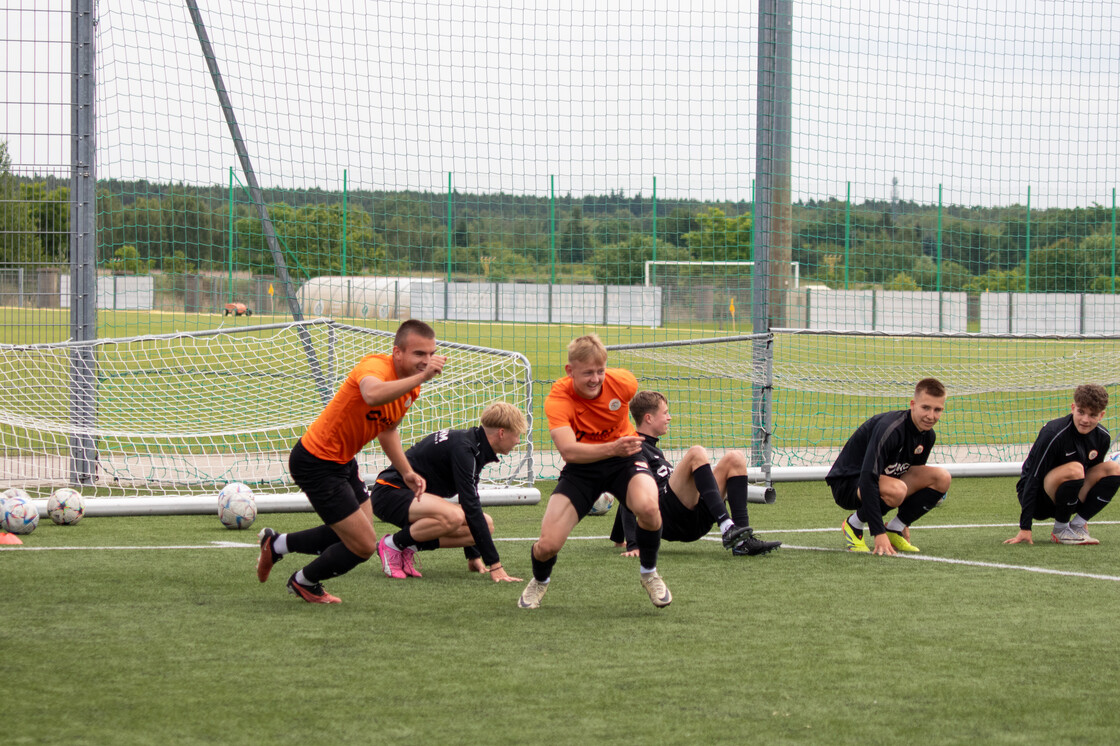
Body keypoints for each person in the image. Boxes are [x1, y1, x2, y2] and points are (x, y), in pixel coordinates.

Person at [255, 319, 446, 603]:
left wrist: (406, 471)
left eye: (431, 354)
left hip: (343, 462)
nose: (426, 361)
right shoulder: (375, 367)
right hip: (316, 462)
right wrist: (422, 376)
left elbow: (388, 428)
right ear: (397, 353)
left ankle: (278, 544)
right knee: (364, 545)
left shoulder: (411, 387)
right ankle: (304, 582)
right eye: (419, 354)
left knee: (356, 532)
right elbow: (371, 394)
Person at [518, 333, 671, 609]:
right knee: (547, 545)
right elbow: (569, 451)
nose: (595, 379)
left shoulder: (623, 383)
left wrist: (618, 449)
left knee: (649, 507)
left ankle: (649, 574)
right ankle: (540, 581)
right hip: (582, 468)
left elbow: (619, 408)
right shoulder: (558, 397)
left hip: (625, 460)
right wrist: (613, 447)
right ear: (570, 371)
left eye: (600, 371)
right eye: (587, 372)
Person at [609, 390, 782, 557]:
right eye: (665, 413)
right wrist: (634, 544)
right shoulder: (635, 449)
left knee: (735, 458)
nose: (669, 418)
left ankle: (742, 544)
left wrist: (617, 538)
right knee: (696, 452)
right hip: (667, 518)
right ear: (649, 418)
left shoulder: (654, 451)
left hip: (693, 519)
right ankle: (726, 525)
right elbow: (629, 492)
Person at [369, 401, 528, 582]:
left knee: (487, 523)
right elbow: (469, 505)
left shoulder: (473, 445)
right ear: (502, 433)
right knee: (454, 517)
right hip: (389, 494)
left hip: (411, 497)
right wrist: (495, 565)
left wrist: (473, 553)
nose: (518, 441)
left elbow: (468, 500)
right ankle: (392, 545)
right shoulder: (465, 449)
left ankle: (408, 547)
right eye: (517, 435)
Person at [827, 377, 951, 556]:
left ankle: (895, 528)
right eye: (926, 407)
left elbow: (912, 475)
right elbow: (868, 477)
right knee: (897, 490)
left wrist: (905, 521)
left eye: (937, 409)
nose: (931, 415)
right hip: (849, 484)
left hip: (884, 482)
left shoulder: (928, 436)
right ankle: (854, 525)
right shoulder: (891, 428)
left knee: (942, 478)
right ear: (913, 404)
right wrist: (878, 532)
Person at [1004, 384, 1120, 546]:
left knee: (1114, 468)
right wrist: (1025, 527)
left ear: (1101, 415)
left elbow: (1093, 476)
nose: (1085, 420)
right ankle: (1061, 529)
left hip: (1071, 497)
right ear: (1073, 408)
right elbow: (1032, 477)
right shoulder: (1053, 433)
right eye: (1081, 412)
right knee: (1076, 469)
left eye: (1092, 415)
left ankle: (1078, 524)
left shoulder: (1103, 437)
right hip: (1040, 501)